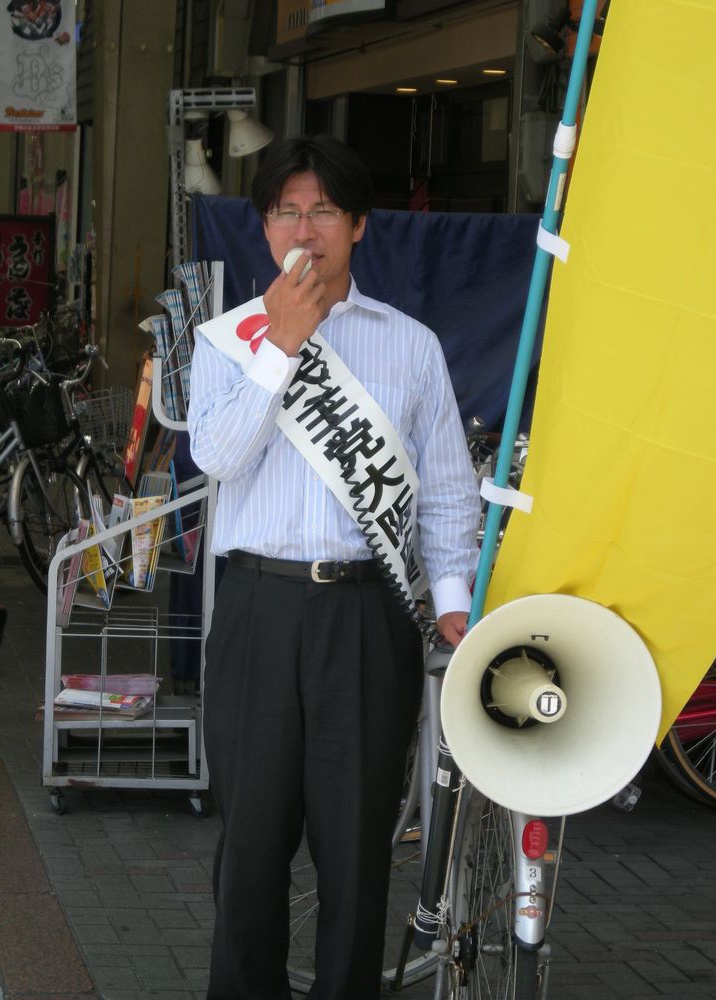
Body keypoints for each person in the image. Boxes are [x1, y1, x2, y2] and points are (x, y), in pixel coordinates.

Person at [188, 134, 480, 1000]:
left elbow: (448, 494)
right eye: (286, 209)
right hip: (257, 613)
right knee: (251, 846)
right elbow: (216, 458)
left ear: (357, 224)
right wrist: (280, 347)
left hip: (366, 616)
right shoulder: (228, 342)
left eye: (323, 210)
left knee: (356, 849)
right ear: (264, 225)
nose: (303, 228)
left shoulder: (411, 345)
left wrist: (454, 604)